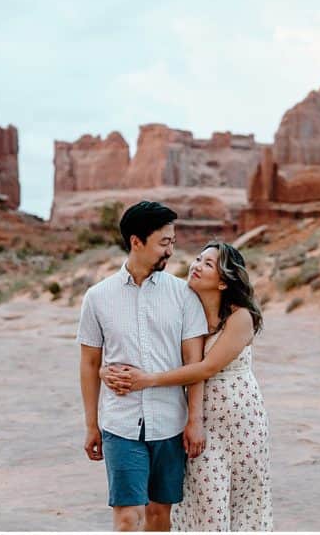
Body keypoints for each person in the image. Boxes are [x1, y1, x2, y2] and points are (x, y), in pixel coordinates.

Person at [102, 241, 273, 531]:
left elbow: (206, 368)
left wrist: (148, 380)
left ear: (222, 282)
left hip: (240, 422)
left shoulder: (240, 316)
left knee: (242, 501)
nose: (196, 266)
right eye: (198, 259)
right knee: (204, 500)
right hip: (197, 417)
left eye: (208, 264)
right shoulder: (182, 306)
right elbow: (148, 349)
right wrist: (108, 371)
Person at [77, 201, 209, 532]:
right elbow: (90, 362)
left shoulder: (183, 296)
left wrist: (194, 421)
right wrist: (91, 424)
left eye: (172, 243)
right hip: (120, 425)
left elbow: (195, 365)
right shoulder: (98, 297)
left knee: (158, 515)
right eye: (164, 242)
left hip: (169, 423)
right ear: (137, 242)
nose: (170, 250)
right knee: (126, 518)